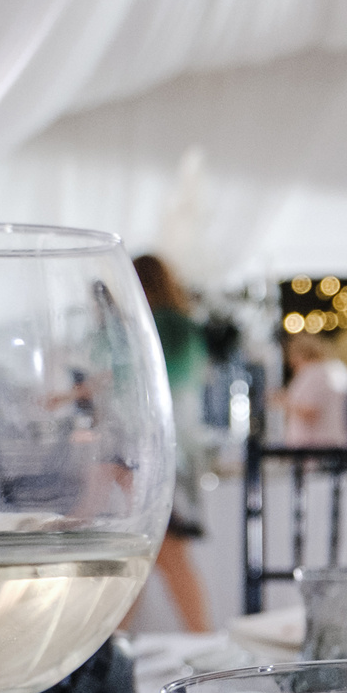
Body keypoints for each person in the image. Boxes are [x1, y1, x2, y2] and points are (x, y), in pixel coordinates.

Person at [132, 253, 210, 633]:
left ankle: (112, 649)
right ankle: (112, 647)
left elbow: (136, 384)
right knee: (145, 554)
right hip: (173, 450)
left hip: (157, 452)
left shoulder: (158, 327)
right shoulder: (183, 327)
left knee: (153, 551)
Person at [279, 333, 347, 447]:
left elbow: (311, 411)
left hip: (315, 447)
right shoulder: (337, 369)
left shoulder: (312, 373)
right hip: (339, 441)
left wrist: (282, 401)